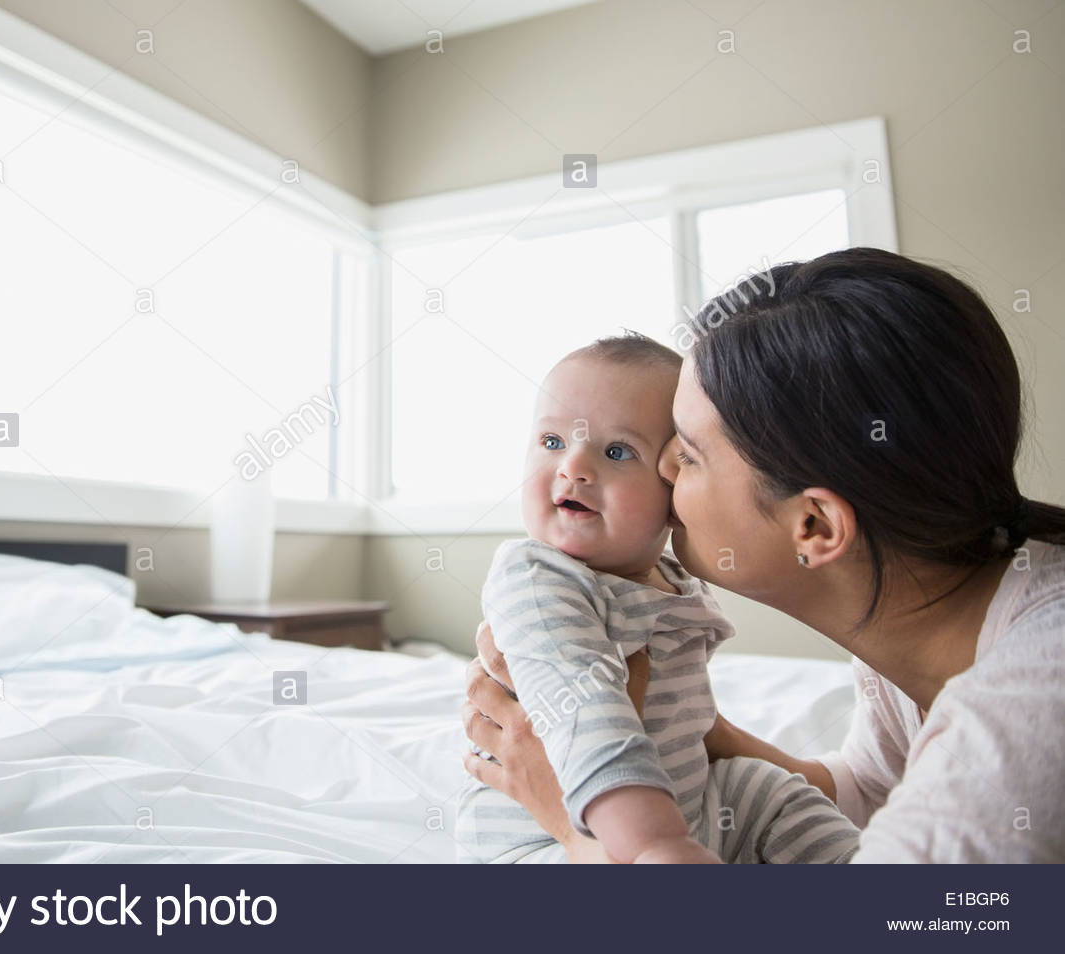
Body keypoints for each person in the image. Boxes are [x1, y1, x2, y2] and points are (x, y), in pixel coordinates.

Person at [463, 247, 1065, 863]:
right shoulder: (920, 612)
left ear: (814, 525)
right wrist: (704, 734)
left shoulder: (1018, 725)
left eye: (688, 453)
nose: (663, 468)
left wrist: (568, 819)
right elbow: (870, 786)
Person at [456, 334, 860, 864]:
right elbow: (587, 712)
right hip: (539, 839)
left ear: (675, 483)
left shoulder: (674, 581)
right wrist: (655, 844)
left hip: (686, 812)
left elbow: (693, 726)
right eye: (552, 442)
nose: (573, 466)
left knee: (770, 791)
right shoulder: (538, 579)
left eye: (617, 451)